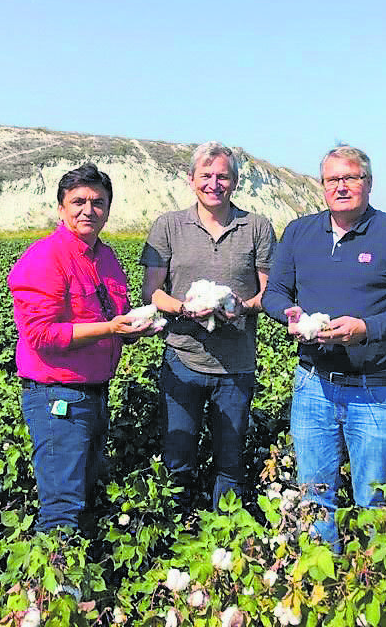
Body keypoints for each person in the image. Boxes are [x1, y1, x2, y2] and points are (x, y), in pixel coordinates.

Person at [262, 145, 386, 546]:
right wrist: (289, 313)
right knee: (315, 497)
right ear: (322, 186)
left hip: (375, 389)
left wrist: (366, 329)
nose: (341, 186)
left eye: (350, 178)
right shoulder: (300, 232)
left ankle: (372, 582)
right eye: (332, 179)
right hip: (313, 386)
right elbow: (274, 293)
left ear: (368, 183)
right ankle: (324, 583)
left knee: (375, 502)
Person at [8, 163, 156, 533]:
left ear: (108, 209)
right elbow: (40, 334)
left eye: (98, 202)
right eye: (78, 201)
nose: (88, 210)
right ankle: (49, 588)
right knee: (61, 508)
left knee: (86, 495)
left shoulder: (105, 257)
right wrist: (110, 327)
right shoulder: (46, 257)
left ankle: (75, 586)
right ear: (61, 208)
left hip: (94, 394)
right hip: (59, 397)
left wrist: (132, 329)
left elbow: (113, 317)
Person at [141, 142, 277, 509]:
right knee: (177, 456)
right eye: (206, 176)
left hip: (236, 367)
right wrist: (185, 309)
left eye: (223, 176)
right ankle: (178, 530)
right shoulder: (168, 226)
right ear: (191, 180)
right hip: (181, 362)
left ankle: (223, 533)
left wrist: (242, 307)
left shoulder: (257, 228)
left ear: (234, 182)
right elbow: (152, 292)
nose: (214, 184)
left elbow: (270, 294)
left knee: (230, 461)